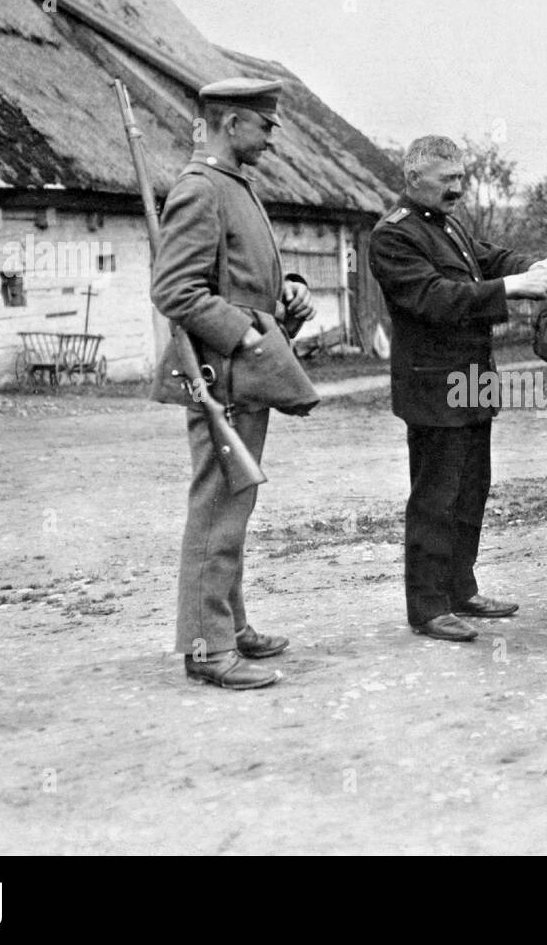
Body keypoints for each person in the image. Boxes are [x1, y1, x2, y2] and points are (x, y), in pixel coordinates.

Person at [369, 136, 547, 642]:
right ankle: (428, 607)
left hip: (473, 381)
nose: (458, 189)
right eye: (447, 181)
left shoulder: (449, 224)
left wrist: (539, 264)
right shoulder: (393, 237)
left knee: (470, 491)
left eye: (461, 179)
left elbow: (492, 257)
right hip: (433, 387)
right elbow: (435, 299)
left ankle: (461, 589)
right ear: (414, 179)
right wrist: (511, 288)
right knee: (435, 497)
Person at [151, 78, 316, 689]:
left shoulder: (232, 186)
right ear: (232, 123)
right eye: (265, 126)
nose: (272, 138)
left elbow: (235, 275)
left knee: (235, 505)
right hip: (219, 376)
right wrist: (246, 335)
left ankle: (230, 624)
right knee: (218, 507)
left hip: (242, 376)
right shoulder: (200, 189)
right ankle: (206, 645)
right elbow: (175, 290)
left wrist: (286, 291)